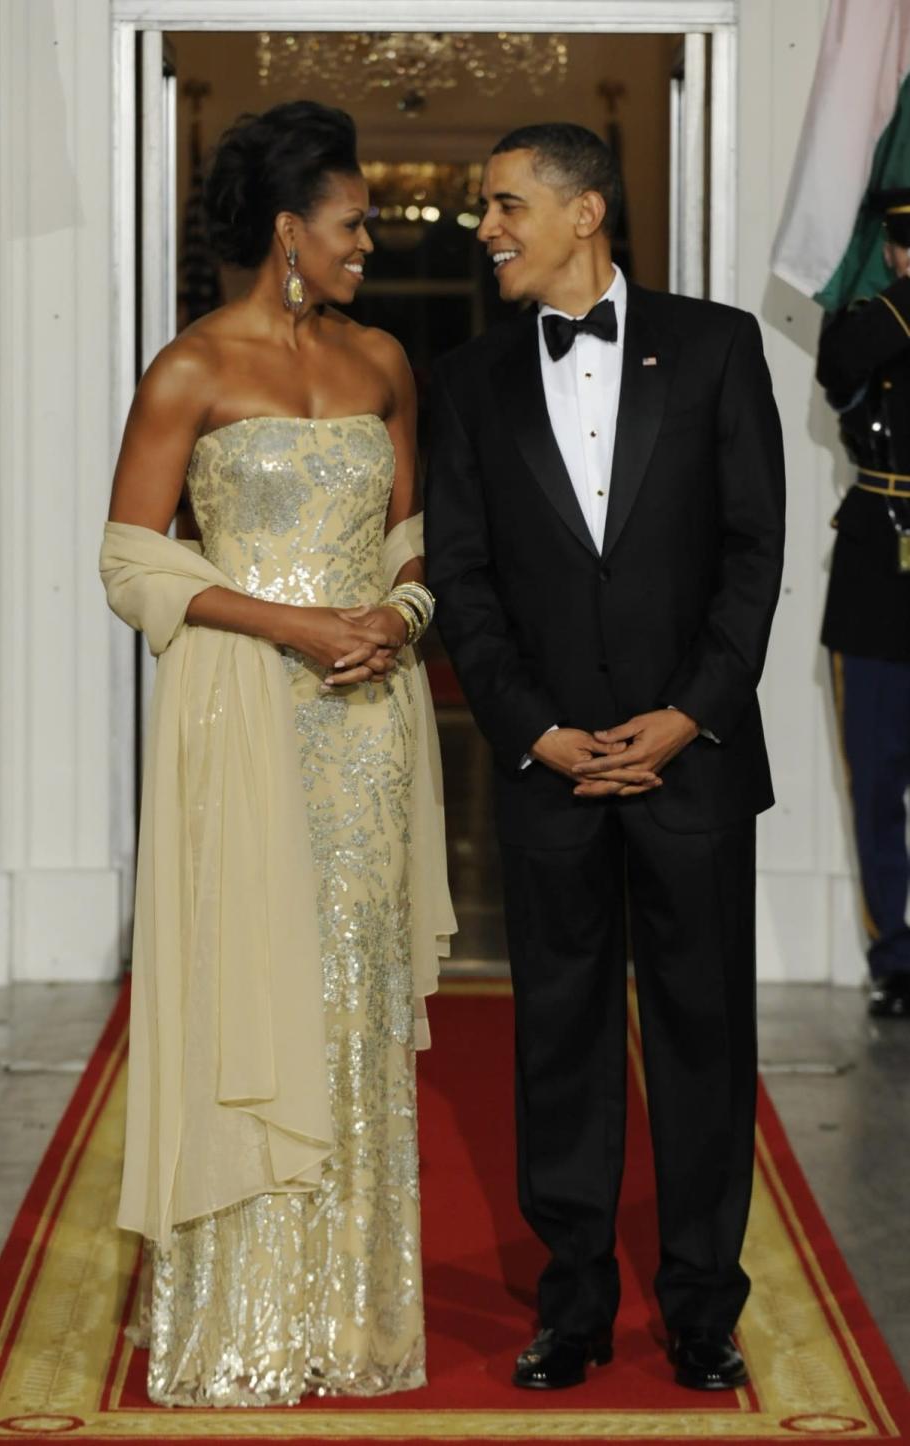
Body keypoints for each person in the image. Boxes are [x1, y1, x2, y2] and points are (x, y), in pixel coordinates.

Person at [99, 100, 454, 1407]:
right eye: (356, 221)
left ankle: (351, 1323)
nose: (375, 240)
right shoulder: (189, 369)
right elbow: (129, 556)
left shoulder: (380, 361)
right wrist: (292, 622)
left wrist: (399, 615)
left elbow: (413, 530)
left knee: (348, 991)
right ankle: (241, 1321)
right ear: (288, 231)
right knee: (249, 979)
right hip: (243, 716)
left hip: (365, 724)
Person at [425, 124, 784, 1393]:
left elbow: (751, 556)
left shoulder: (718, 344)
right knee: (558, 1042)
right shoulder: (465, 382)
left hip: (691, 762)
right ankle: (569, 1305)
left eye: (505, 204)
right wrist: (531, 730)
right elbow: (461, 583)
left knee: (703, 1039)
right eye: (484, 207)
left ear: (584, 213)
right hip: (547, 770)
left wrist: (685, 716)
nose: (487, 227)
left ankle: (700, 1309)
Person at [817, 187, 910, 1020]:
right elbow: (838, 371)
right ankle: (895, 956)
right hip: (878, 565)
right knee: (875, 776)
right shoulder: (866, 321)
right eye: (903, 244)